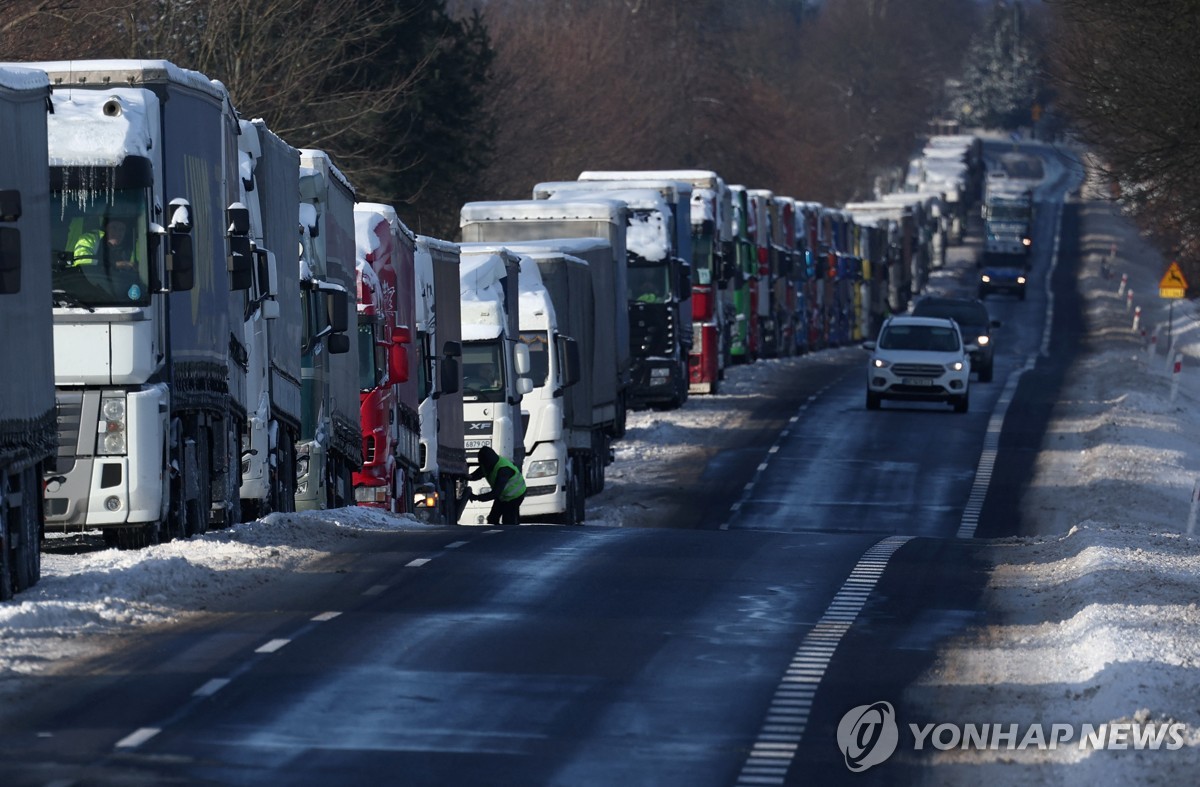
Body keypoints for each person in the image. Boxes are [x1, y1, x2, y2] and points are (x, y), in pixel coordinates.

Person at [467, 445, 526, 525]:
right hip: (503, 496)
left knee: (508, 520)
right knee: (492, 518)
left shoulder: (503, 470)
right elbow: (474, 476)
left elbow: (495, 493)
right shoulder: (487, 464)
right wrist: (464, 476)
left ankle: (511, 535)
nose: (483, 467)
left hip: (515, 496)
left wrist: (477, 497)